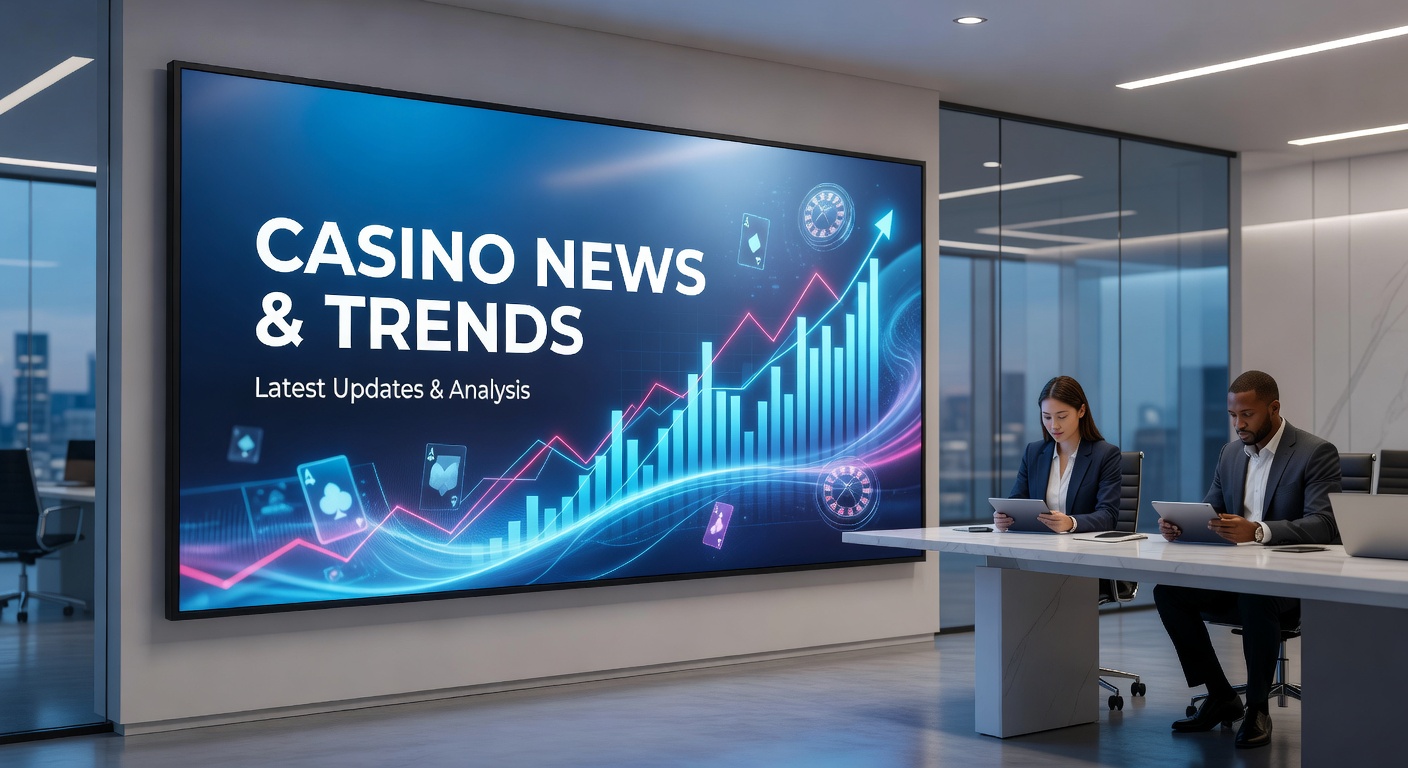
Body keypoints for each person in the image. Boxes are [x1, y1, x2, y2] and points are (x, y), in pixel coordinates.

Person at [1154, 370, 1341, 750]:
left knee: (1257, 595)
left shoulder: (1315, 452)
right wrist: (1181, 526)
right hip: (1236, 579)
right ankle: (1221, 695)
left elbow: (1324, 524)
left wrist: (1258, 531)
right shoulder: (1229, 454)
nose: (1238, 424)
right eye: (1233, 416)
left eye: (1247, 415)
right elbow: (1213, 512)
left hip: (1289, 584)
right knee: (1168, 592)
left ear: (1273, 408)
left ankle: (1258, 708)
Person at [994, 375, 1122, 534]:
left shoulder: (1105, 455)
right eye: (1047, 417)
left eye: (1062, 416)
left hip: (1085, 549)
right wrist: (1004, 517)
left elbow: (1108, 516)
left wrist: (1071, 523)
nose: (1054, 425)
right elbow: (1016, 503)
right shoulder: (1033, 452)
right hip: (1041, 545)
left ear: (1081, 411)